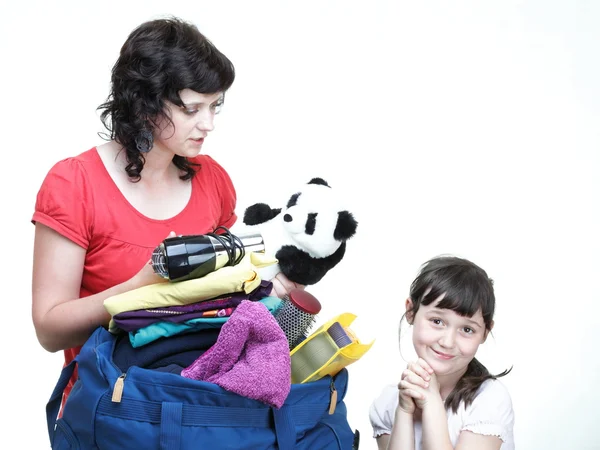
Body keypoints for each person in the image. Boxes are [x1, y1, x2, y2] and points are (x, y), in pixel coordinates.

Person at [31, 16, 300, 408]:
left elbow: (219, 310)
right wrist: (142, 286)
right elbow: (50, 330)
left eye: (214, 106)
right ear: (145, 103)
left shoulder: (214, 181)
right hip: (115, 411)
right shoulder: (74, 184)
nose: (208, 124)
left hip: (198, 406)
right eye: (192, 109)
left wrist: (267, 290)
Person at [369, 256, 515, 450]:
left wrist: (432, 403)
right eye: (437, 321)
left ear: (485, 332)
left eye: (467, 329)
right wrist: (404, 412)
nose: (447, 342)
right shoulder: (388, 402)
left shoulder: (488, 399)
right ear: (411, 311)